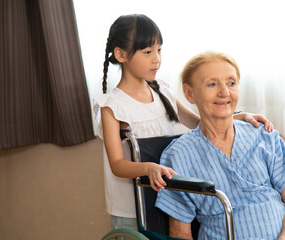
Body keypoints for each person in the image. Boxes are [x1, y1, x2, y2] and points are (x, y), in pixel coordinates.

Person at [93, 14, 274, 231]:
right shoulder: (112, 106)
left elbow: (198, 122)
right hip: (133, 207)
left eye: (159, 50)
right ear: (121, 54)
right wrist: (148, 168)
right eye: (148, 52)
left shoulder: (162, 89)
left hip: (170, 192)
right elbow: (117, 165)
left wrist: (239, 117)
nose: (156, 59)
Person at [155, 51, 285, 240]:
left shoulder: (262, 135)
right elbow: (180, 233)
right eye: (212, 84)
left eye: (231, 83)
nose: (224, 92)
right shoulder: (179, 154)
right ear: (189, 93)